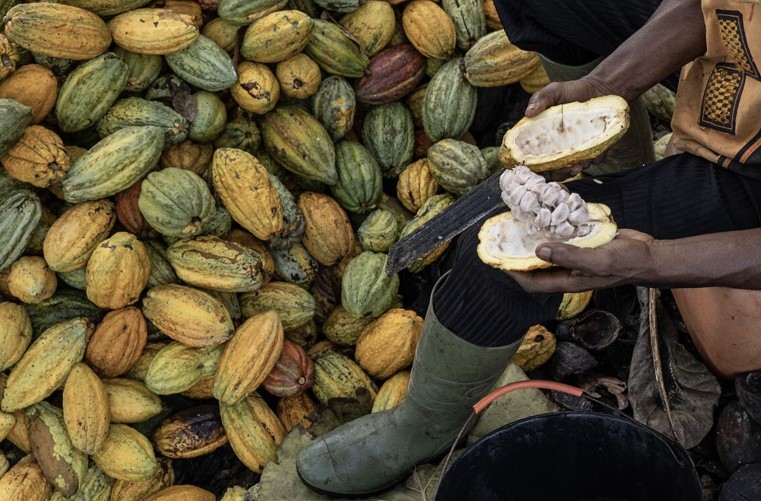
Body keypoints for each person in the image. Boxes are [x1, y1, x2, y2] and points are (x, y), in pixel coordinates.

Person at [296, 0, 761, 496]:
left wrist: (650, 261)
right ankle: (614, 155)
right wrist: (603, 90)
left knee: (504, 254)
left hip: (746, 181)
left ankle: (423, 426)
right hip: (732, 85)